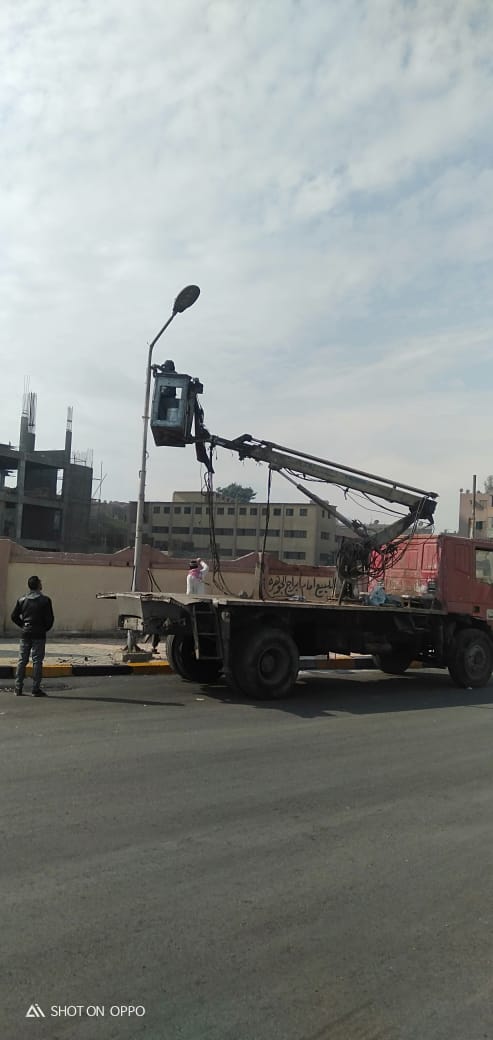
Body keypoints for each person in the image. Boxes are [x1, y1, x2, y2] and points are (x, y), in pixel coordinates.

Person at [11, 575, 54, 697]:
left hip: (25, 633)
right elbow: (50, 619)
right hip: (39, 634)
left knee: (22, 660)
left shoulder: (22, 600)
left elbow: (14, 616)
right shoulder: (45, 600)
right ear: (38, 585)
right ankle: (35, 689)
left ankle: (18, 687)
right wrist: (43, 629)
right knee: (37, 661)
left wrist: (23, 625)